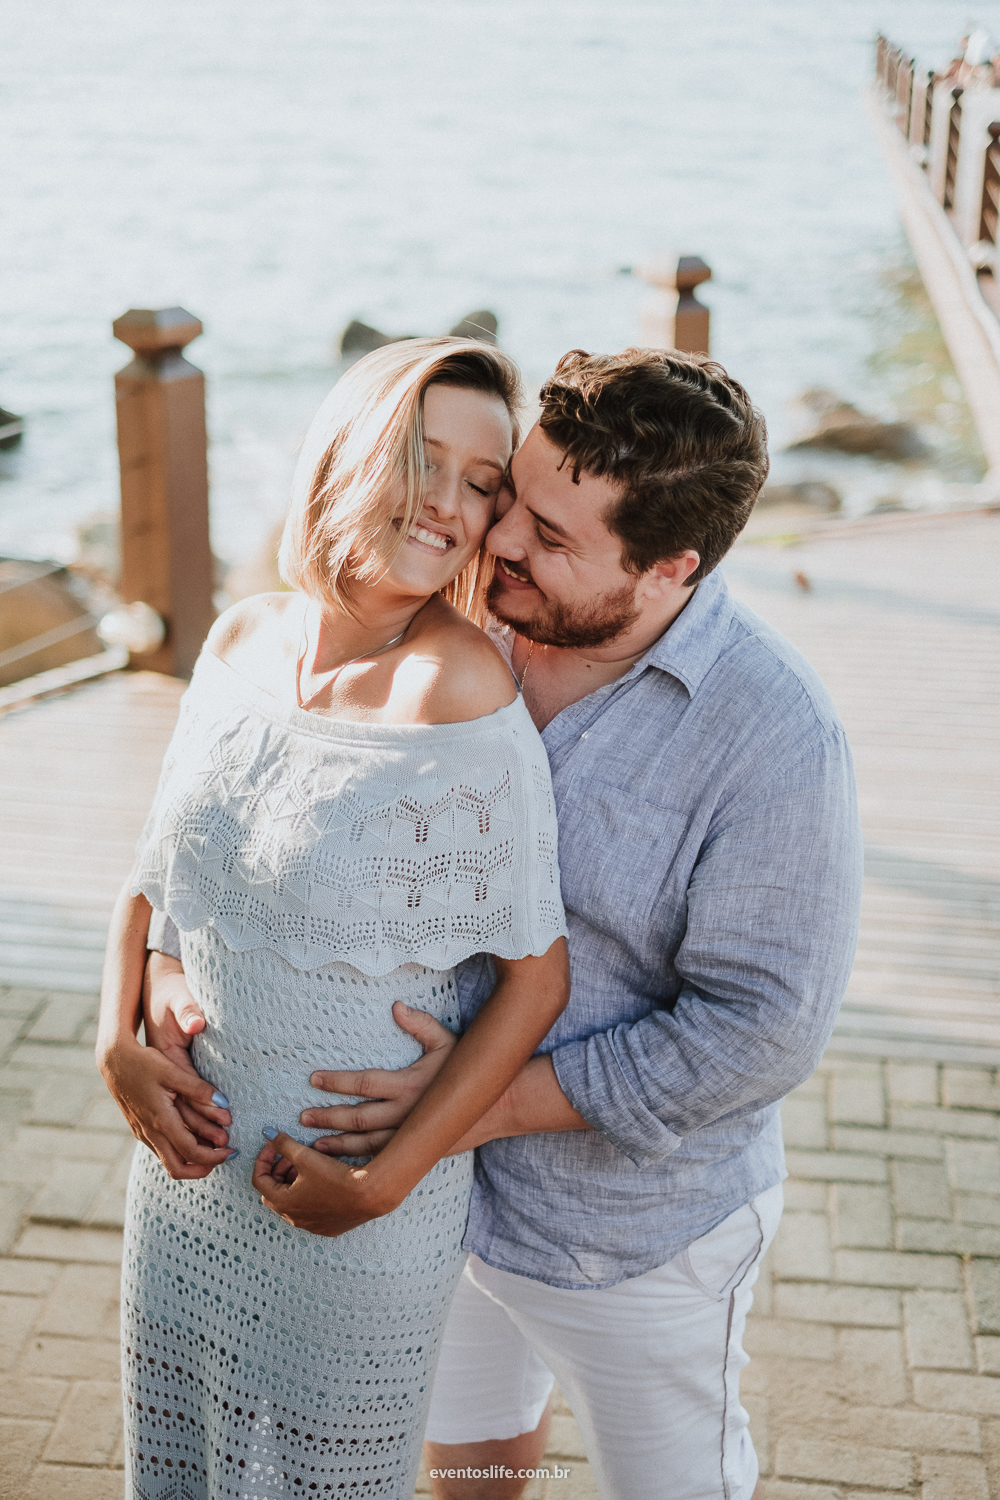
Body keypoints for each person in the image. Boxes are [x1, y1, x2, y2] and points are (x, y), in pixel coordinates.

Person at [147, 348, 863, 1500]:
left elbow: (761, 1032)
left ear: (671, 568)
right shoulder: (469, 601)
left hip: (629, 1240)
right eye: (512, 500)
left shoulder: (773, 739)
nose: (504, 545)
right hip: (439, 1210)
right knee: (472, 1475)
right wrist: (163, 969)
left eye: (555, 538)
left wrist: (467, 1105)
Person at [96, 336, 571, 1500]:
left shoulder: (456, 687)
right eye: (428, 456)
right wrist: (117, 1037)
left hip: (347, 1201)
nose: (452, 505)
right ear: (356, 444)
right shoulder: (240, 638)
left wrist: (386, 1181)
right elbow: (158, 870)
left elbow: (535, 975)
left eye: (482, 481)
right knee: (177, 1469)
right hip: (184, 1175)